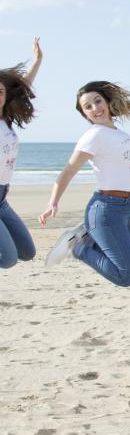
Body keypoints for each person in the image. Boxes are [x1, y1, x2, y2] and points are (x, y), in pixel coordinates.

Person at [39, 79, 130, 287]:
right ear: (85, 114)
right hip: (107, 210)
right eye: (88, 107)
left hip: (127, 209)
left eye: (98, 101)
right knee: (126, 276)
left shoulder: (120, 134)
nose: (95, 108)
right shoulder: (93, 135)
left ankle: (89, 238)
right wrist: (53, 202)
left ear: (107, 101)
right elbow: (69, 169)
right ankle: (76, 246)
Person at [0, 37, 43, 271]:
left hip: (2, 198)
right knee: (7, 259)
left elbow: (23, 85)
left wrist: (37, 61)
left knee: (27, 252)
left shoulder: (6, 120)